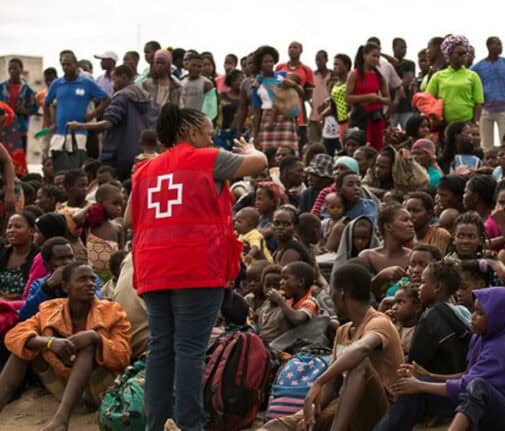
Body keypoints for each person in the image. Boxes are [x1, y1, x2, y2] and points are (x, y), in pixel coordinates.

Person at [128, 103, 267, 431]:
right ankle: (190, 426)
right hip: (195, 265)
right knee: (189, 348)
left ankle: (157, 424)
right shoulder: (208, 159)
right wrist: (250, 148)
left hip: (153, 266)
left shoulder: (144, 170)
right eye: (208, 131)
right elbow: (259, 163)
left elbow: (129, 219)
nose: (212, 137)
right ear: (190, 132)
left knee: (161, 347)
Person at [258, 263, 403, 431]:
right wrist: (306, 414)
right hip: (346, 408)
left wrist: (317, 383)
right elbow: (332, 385)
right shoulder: (343, 331)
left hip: (383, 414)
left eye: (332, 290)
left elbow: (361, 349)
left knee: (358, 363)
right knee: (277, 426)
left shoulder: (379, 321)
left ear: (341, 293)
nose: (330, 296)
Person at [0, 262, 131, 431]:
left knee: (88, 346)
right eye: (82, 279)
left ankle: (61, 420)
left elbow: (123, 356)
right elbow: (13, 336)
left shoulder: (113, 312)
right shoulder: (50, 310)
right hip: (62, 389)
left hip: (100, 392)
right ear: (65, 286)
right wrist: (50, 342)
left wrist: (96, 338)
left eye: (92, 279)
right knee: (23, 347)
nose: (90, 283)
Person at [375, 286, 505, 431]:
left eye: (480, 314)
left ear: (497, 318)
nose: (473, 317)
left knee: (477, 387)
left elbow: (468, 385)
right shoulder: (480, 338)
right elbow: (467, 375)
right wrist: (429, 376)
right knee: (414, 391)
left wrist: (420, 385)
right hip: (477, 402)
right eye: (474, 311)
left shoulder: (500, 349)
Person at [66, 65, 157, 180]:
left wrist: (80, 126)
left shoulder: (121, 96)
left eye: (114, 80)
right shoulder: (145, 96)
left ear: (124, 77)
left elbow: (108, 123)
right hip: (140, 152)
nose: (113, 84)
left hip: (119, 154)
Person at [45, 52, 110, 171]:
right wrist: (50, 122)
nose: (65, 67)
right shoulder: (57, 83)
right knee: (57, 167)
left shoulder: (86, 83)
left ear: (75, 65)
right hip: (60, 133)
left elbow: (106, 99)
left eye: (68, 64)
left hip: (79, 132)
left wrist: (92, 115)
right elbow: (47, 102)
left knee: (77, 168)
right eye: (63, 65)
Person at [251, 45, 300, 151]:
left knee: (287, 153)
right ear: (260, 64)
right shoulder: (257, 84)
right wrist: (256, 134)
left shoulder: (283, 76)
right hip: (267, 120)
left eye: (271, 61)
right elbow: (257, 111)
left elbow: (296, 94)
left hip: (285, 118)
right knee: (268, 154)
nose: (269, 64)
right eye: (266, 62)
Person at [471, 36, 505, 150]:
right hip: (485, 109)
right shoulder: (478, 66)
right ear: (489, 46)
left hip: (504, 109)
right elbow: (470, 83)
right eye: (497, 44)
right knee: (486, 144)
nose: (500, 47)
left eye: (501, 44)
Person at [428, 35, 484, 126]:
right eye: (459, 54)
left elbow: (478, 103)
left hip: (466, 124)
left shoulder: (473, 76)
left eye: (465, 53)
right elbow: (428, 99)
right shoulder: (438, 76)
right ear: (449, 55)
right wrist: (435, 119)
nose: (463, 56)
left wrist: (475, 122)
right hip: (444, 124)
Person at [346, 43, 389, 151]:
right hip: (360, 117)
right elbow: (347, 98)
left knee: (377, 148)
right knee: (359, 148)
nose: (376, 59)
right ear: (365, 55)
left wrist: (378, 99)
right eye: (373, 56)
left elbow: (388, 100)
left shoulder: (379, 76)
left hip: (376, 118)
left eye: (378, 57)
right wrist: (367, 97)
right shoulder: (355, 74)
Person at [359, 204, 414, 277]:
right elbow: (360, 287)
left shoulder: (413, 258)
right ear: (388, 226)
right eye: (405, 220)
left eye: (411, 220)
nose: (411, 224)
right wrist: (381, 276)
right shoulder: (367, 256)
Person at [276, 41, 315, 142]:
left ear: (301, 51)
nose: (292, 50)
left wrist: (297, 94)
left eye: (295, 47)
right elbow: (274, 85)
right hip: (281, 105)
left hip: (298, 107)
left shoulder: (306, 70)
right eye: (290, 47)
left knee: (298, 138)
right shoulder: (280, 67)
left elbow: (309, 93)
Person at [0, 58, 38, 157]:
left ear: (21, 70)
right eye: (10, 69)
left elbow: (34, 109)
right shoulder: (1, 87)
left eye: (15, 68)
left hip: (20, 130)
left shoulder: (28, 90)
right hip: (3, 129)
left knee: (19, 161)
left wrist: (24, 110)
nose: (12, 71)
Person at [0, 211, 38, 302]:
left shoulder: (39, 257)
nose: (12, 230)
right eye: (9, 227)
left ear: (31, 231)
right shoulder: (2, 252)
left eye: (18, 227)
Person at [405, 192, 451, 256]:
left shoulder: (440, 234)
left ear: (429, 214)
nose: (410, 215)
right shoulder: (400, 234)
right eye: (407, 210)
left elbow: (435, 261)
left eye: (416, 211)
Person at [309, 50, 331, 143]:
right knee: (313, 144)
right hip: (314, 117)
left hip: (329, 116)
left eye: (320, 59)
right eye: (316, 60)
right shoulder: (312, 75)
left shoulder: (333, 75)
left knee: (328, 143)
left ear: (326, 60)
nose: (318, 62)